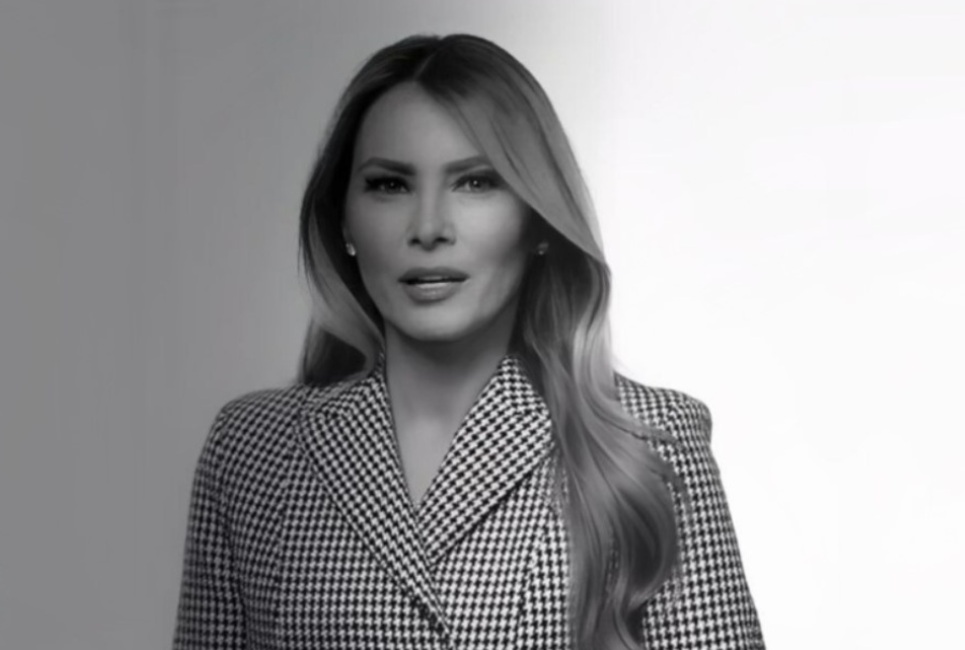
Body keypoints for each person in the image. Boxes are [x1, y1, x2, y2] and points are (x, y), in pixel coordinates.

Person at [173, 34, 765, 650]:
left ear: (538, 219)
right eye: (390, 185)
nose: (429, 228)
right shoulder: (252, 450)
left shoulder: (645, 445)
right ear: (343, 219)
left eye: (476, 182)